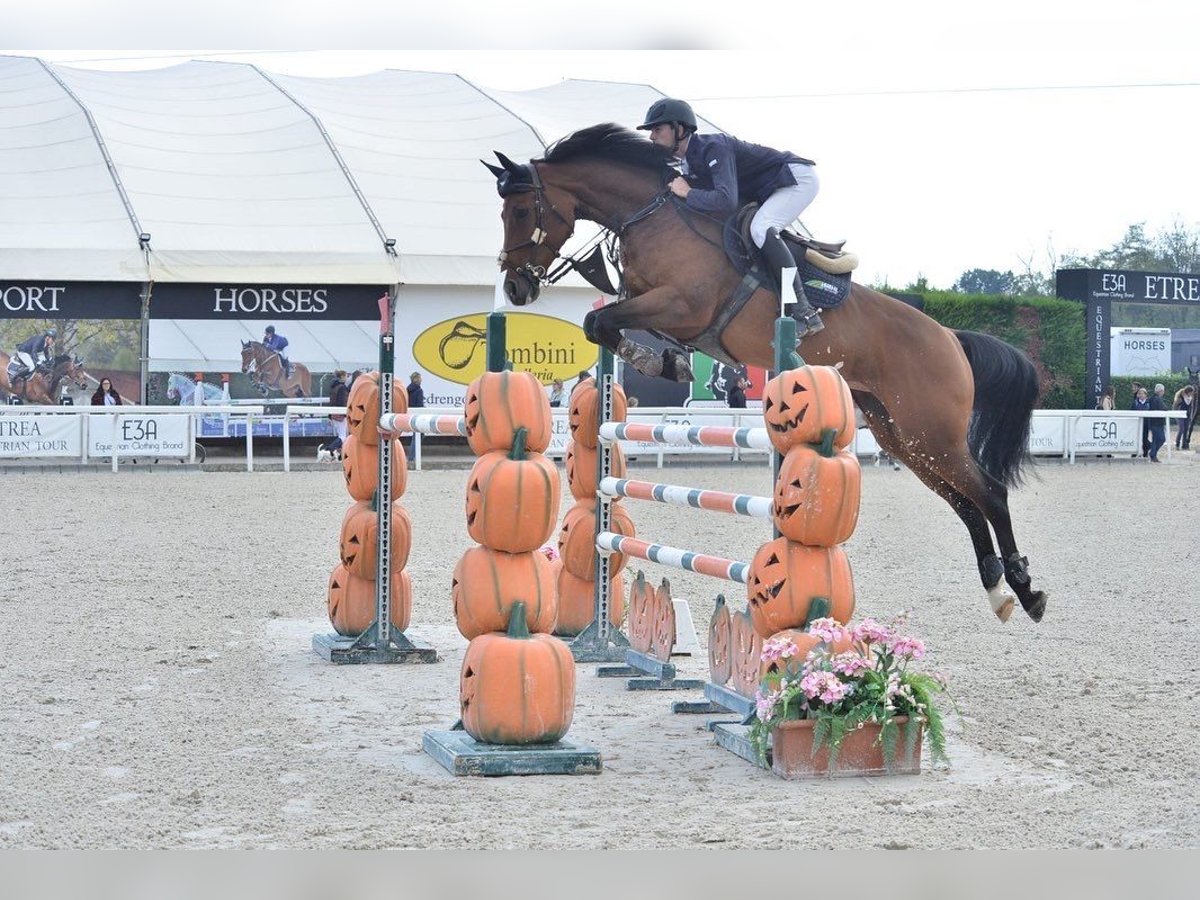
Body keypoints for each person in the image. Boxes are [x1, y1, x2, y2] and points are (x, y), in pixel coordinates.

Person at [637, 98, 824, 338]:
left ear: (680, 129)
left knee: (761, 229)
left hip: (795, 178)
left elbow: (725, 201)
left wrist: (688, 192)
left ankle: (803, 310)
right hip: (770, 187)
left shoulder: (713, 147)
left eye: (657, 129)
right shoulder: (687, 162)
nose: (652, 136)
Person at [322, 369, 349, 458]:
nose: (347, 378)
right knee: (343, 437)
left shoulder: (333, 387)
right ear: (342, 377)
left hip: (333, 414)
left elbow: (332, 401)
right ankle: (329, 450)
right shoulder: (342, 388)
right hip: (340, 415)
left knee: (341, 436)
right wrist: (345, 414)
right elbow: (342, 402)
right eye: (346, 376)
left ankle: (339, 454)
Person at [1146, 383, 1168, 462]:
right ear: (1160, 391)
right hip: (1157, 423)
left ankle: (1153, 455)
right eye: (1163, 391)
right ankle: (1152, 453)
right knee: (1161, 439)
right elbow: (1164, 408)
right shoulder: (1158, 399)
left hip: (1153, 422)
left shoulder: (1151, 398)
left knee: (1155, 439)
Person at [1173, 385, 1195, 450]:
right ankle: (1177, 444)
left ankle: (1184, 445)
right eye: (1191, 392)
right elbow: (1174, 407)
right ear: (1187, 392)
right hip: (1179, 415)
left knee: (1186, 430)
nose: (1191, 394)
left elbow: (1191, 407)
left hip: (1187, 416)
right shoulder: (1180, 398)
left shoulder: (1191, 398)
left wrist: (1191, 416)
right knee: (1181, 429)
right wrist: (1176, 414)